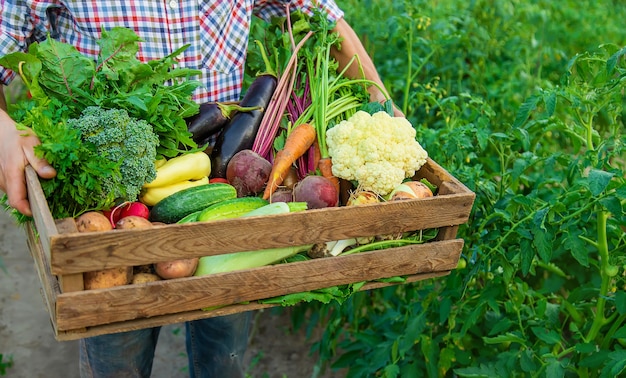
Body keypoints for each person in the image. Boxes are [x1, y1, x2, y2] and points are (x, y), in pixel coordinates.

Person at [0, 1, 397, 377]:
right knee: (117, 352)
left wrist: (383, 105)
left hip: (229, 180)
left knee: (224, 349)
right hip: (109, 205)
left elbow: (322, 17)